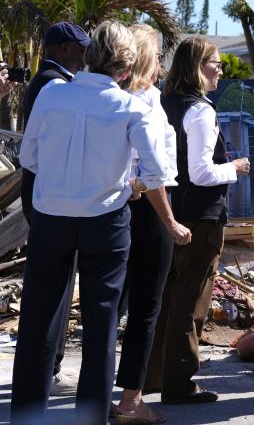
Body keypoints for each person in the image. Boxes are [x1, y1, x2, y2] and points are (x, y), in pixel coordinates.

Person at [12, 21, 168, 423]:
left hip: (52, 217)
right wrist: (130, 187)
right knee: (101, 326)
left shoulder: (50, 94)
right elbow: (155, 174)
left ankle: (27, 417)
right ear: (127, 71)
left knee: (37, 322)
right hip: (106, 220)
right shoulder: (133, 107)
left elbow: (28, 158)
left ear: (89, 55)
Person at [144, 36, 250, 404]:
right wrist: (234, 167)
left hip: (170, 212)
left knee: (168, 299)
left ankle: (154, 376)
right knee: (191, 303)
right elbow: (202, 172)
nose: (220, 69)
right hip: (201, 218)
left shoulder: (165, 102)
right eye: (214, 63)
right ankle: (180, 383)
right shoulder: (200, 109)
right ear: (196, 67)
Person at [112, 23, 192, 424]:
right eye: (158, 54)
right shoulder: (146, 104)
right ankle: (131, 399)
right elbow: (152, 174)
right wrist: (172, 221)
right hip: (148, 208)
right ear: (147, 58)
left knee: (115, 305)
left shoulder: (120, 101)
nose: (162, 62)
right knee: (146, 307)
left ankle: (110, 393)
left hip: (120, 208)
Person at [20, 21, 91, 397]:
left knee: (53, 287)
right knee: (55, 291)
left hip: (44, 197)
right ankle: (49, 368)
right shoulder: (54, 84)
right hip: (51, 200)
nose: (85, 55)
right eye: (81, 48)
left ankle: (46, 367)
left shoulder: (46, 81)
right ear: (63, 49)